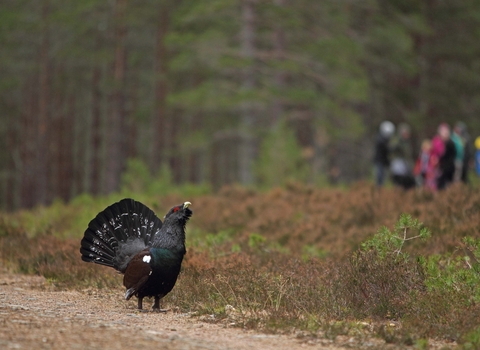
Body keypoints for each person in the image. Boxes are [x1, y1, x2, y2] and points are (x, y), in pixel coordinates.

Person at [389, 123, 415, 190]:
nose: (406, 135)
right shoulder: (397, 140)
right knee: (399, 180)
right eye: (405, 133)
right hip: (398, 163)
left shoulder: (407, 143)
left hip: (405, 163)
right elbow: (391, 148)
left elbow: (408, 155)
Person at [431, 123, 456, 190]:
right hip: (447, 166)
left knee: (443, 183)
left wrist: (438, 159)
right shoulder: (448, 142)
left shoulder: (449, 143)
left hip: (447, 167)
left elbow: (444, 155)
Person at [373, 121, 395, 187]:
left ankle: (381, 189)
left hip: (383, 161)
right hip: (380, 161)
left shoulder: (385, 140)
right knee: (380, 177)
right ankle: (379, 189)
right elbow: (386, 149)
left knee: (383, 177)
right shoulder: (380, 140)